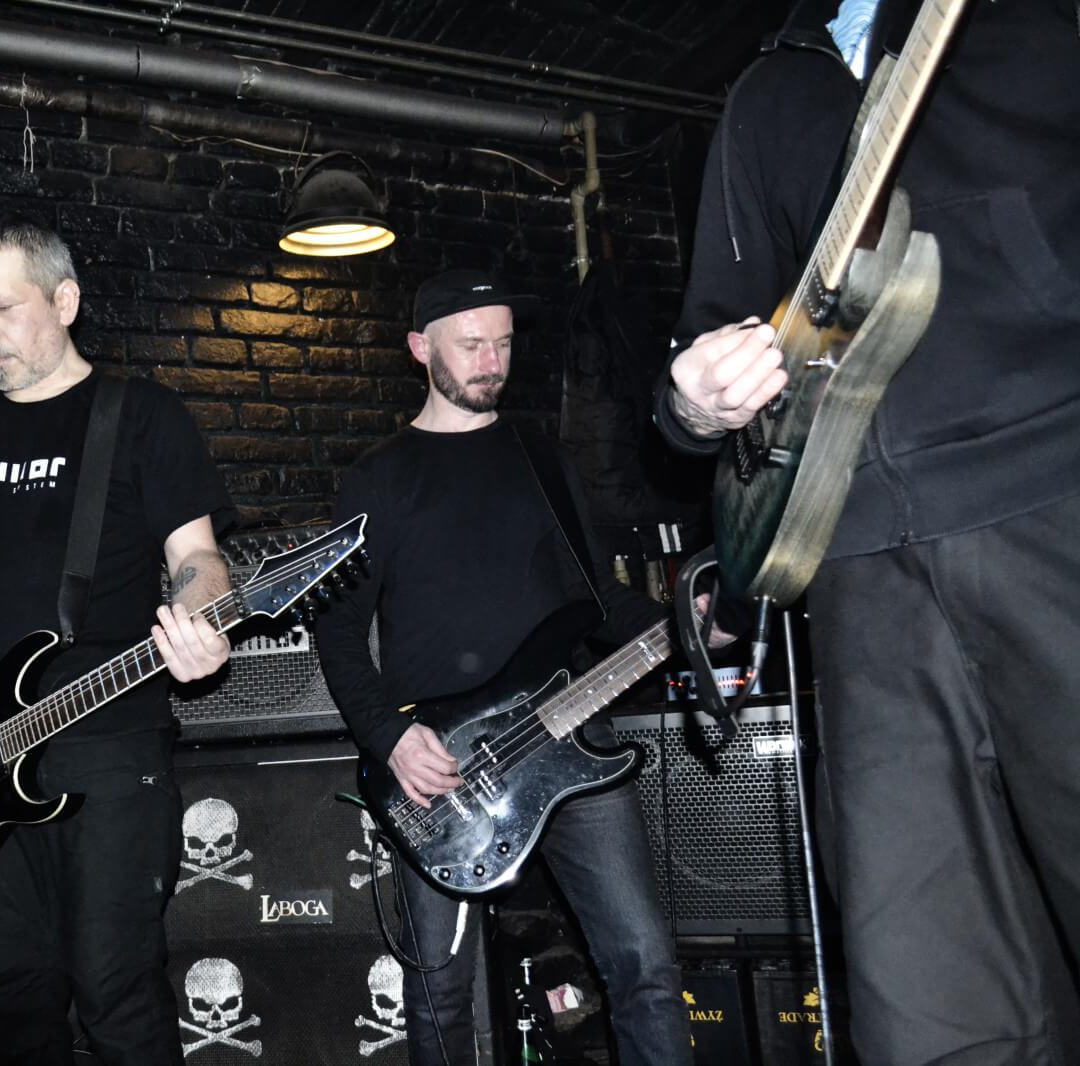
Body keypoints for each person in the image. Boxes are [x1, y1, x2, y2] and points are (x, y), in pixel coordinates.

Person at [655, 2, 1080, 1062]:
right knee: (923, 984)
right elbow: (709, 328)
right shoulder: (765, 91)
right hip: (850, 563)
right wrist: (694, 403)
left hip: (1050, 487)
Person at [0, 216, 235, 1065]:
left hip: (110, 752)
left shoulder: (140, 417)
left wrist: (204, 623)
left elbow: (198, 560)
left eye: (2, 307)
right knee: (3, 1001)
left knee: (117, 995)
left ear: (65, 301)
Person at [314, 268, 695, 1066]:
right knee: (439, 992)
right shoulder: (379, 478)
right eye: (471, 345)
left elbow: (599, 603)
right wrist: (390, 739)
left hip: (571, 736)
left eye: (504, 344)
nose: (492, 362)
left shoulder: (544, 460)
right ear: (421, 348)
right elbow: (339, 633)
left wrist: (690, 626)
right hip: (444, 766)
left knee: (647, 966)